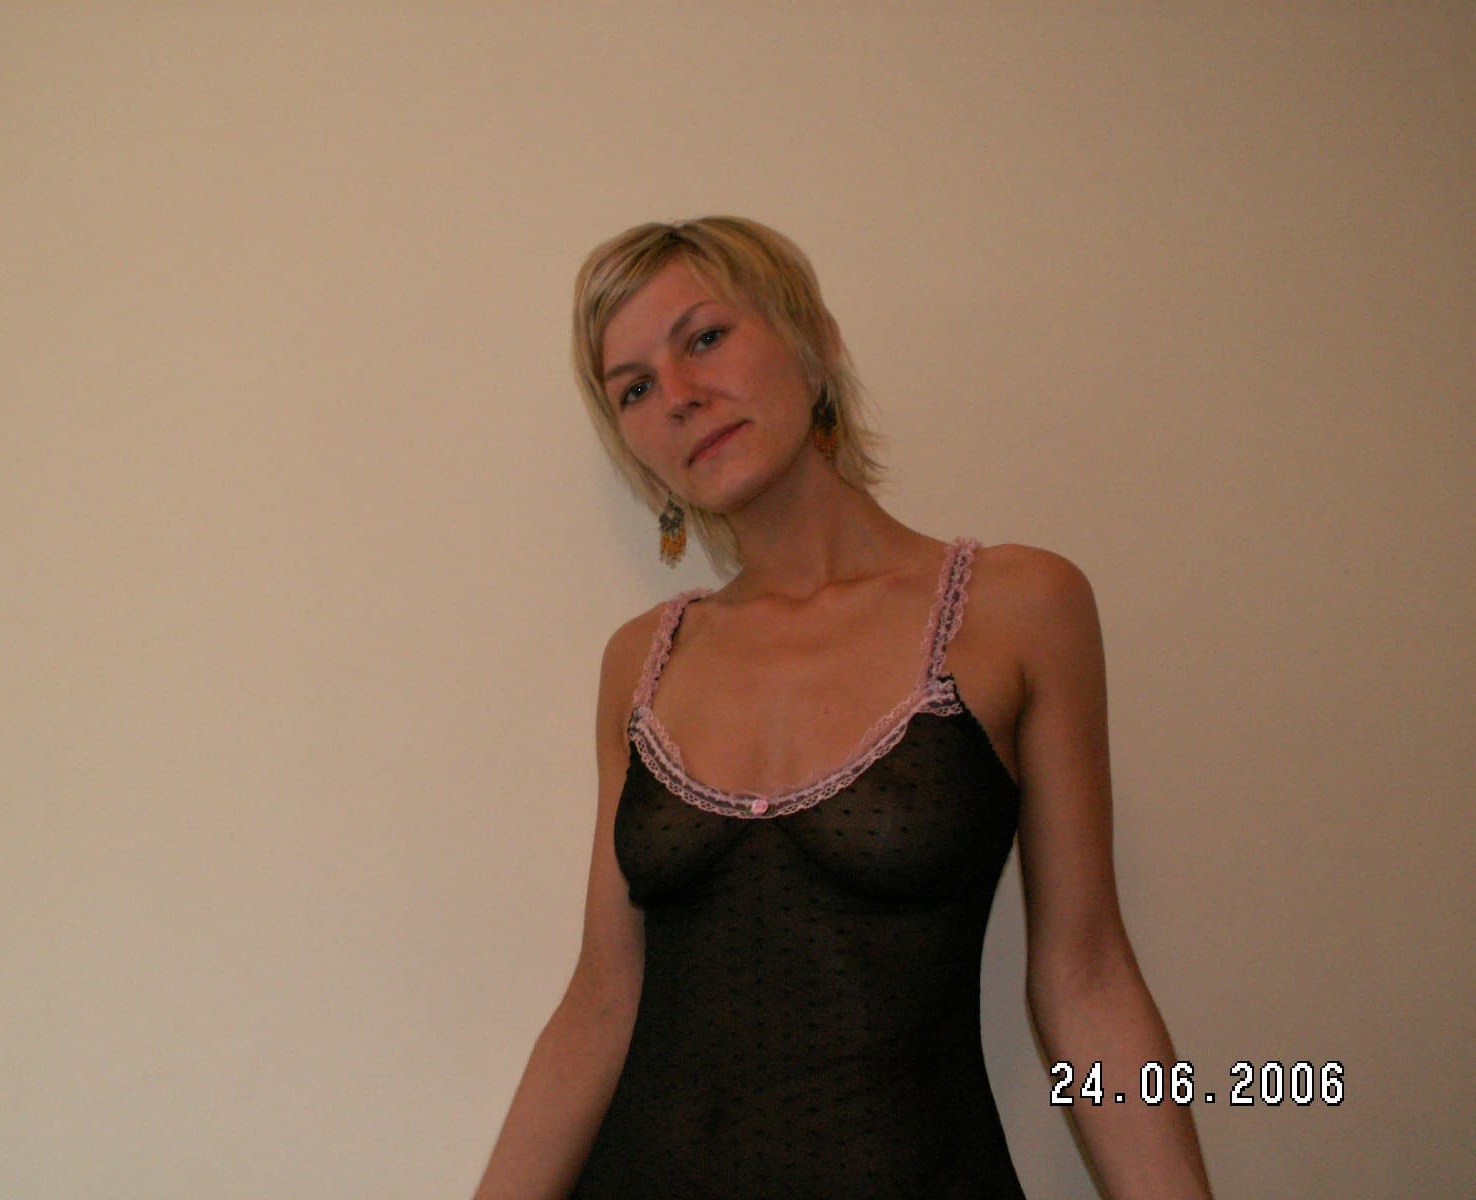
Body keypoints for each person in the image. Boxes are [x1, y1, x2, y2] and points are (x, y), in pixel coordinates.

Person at [473, 217, 1213, 1199]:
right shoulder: (642, 663)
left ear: (814, 342)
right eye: (635, 389)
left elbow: (1087, 980)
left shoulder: (1020, 609)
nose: (680, 396)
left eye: (705, 337)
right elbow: (600, 1004)